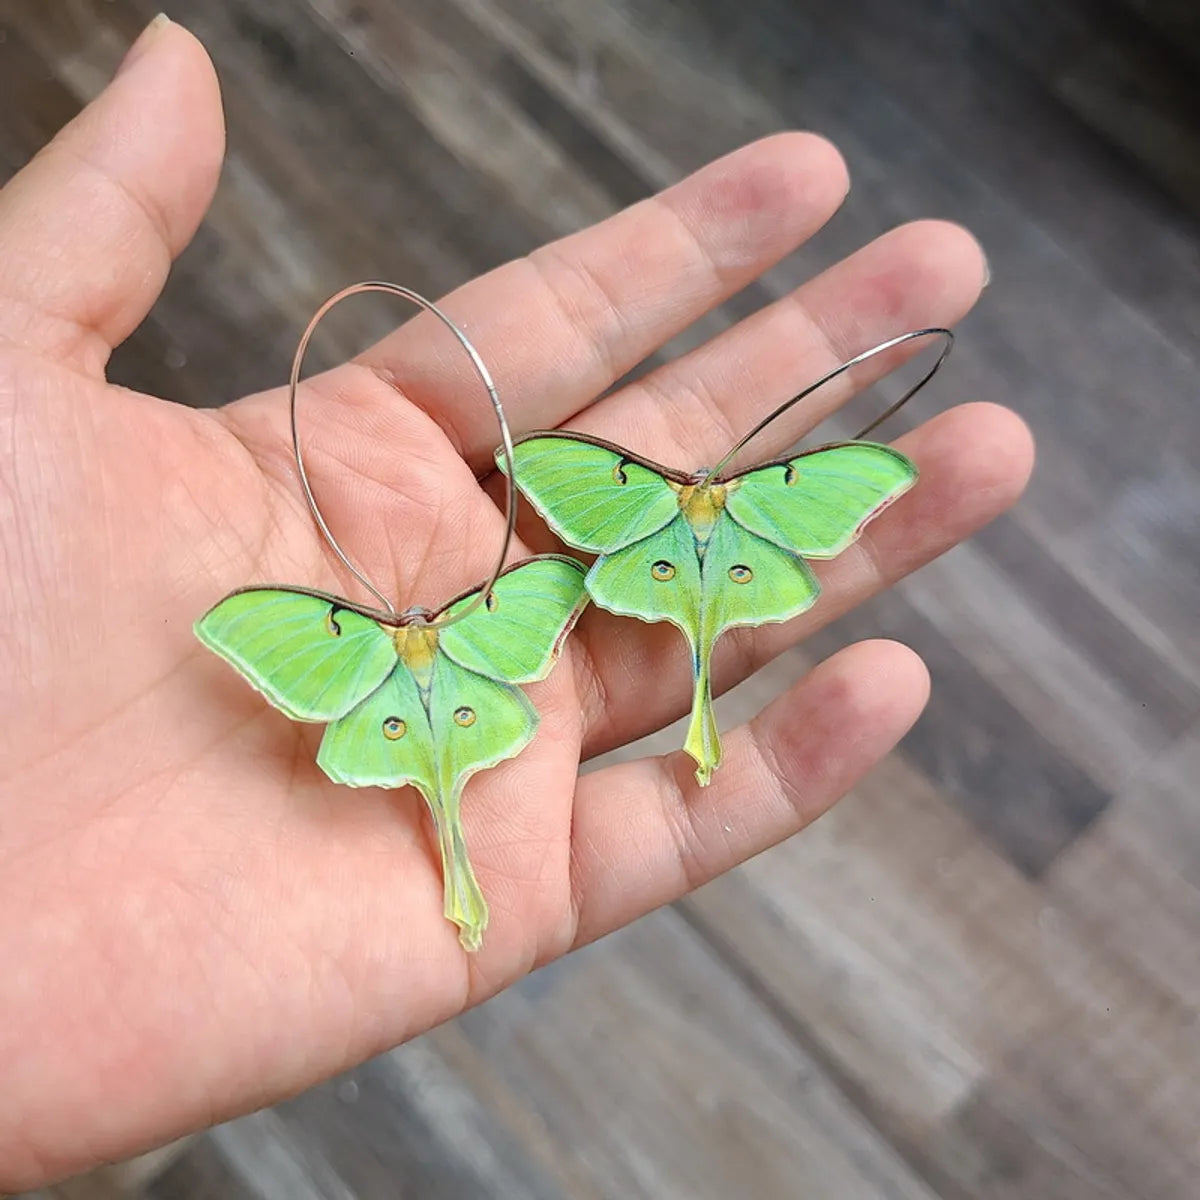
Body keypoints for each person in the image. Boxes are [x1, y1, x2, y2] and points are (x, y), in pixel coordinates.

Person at [0, 15, 1032, 1189]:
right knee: (487, 754)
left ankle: (477, 854)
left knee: (589, 687)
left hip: (510, 624)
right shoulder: (506, 578)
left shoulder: (520, 579)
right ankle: (480, 850)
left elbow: (547, 566)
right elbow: (510, 554)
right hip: (562, 613)